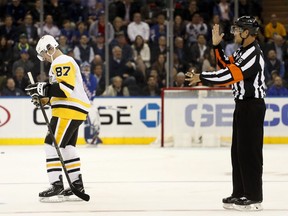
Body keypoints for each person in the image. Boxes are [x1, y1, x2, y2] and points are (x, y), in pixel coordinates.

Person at [185, 16, 266, 211]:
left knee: (250, 153)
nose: (234, 33)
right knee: (238, 152)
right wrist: (216, 46)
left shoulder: (253, 53)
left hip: (252, 106)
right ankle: (240, 193)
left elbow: (229, 76)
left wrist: (201, 77)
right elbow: (224, 66)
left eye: (238, 30)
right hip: (242, 106)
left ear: (247, 33)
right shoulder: (242, 51)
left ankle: (254, 198)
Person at [25, 35, 91, 202]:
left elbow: (65, 89)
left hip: (68, 110)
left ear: (50, 48)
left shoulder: (61, 61)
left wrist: (43, 87)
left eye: (44, 54)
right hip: (73, 109)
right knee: (67, 146)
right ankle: (77, 184)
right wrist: (43, 98)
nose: (45, 59)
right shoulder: (60, 63)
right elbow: (58, 92)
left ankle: (56, 184)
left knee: (51, 143)